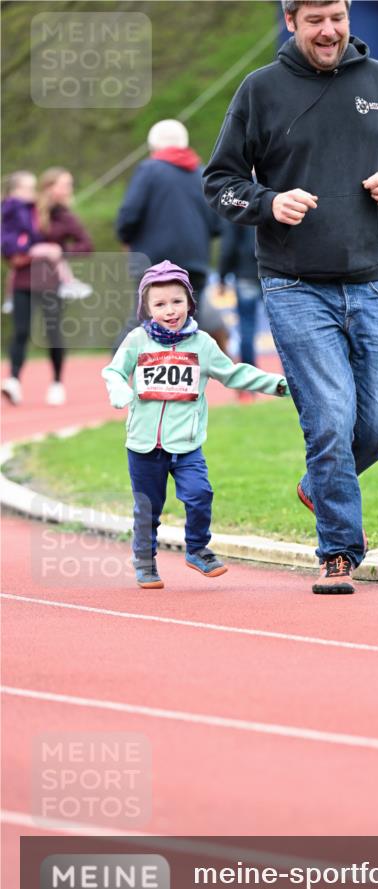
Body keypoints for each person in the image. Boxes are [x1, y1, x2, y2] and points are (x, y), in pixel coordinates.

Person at [203, 0, 378, 595]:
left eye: (337, 17)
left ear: (348, 14)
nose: (329, 31)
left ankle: (318, 485)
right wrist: (267, 203)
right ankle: (338, 551)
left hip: (371, 281)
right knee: (330, 419)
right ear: (291, 22)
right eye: (314, 21)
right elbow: (220, 182)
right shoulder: (260, 90)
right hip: (294, 282)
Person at [101, 261, 290, 590]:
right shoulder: (136, 340)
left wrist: (276, 384)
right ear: (146, 308)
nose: (170, 310)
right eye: (159, 304)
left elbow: (234, 374)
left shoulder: (201, 343)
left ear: (190, 302)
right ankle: (144, 560)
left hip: (186, 444)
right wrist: (119, 390)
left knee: (200, 494)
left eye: (177, 301)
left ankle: (198, 549)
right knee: (148, 508)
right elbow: (114, 372)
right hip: (144, 445)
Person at [1, 167, 93, 406]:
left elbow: (86, 245)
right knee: (21, 331)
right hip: (22, 279)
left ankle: (57, 382)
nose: (69, 190)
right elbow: (11, 239)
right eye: (65, 184)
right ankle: (13, 380)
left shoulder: (64, 216)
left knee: (54, 332)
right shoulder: (27, 211)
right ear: (50, 186)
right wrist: (20, 252)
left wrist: (60, 251)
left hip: (51, 282)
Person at [115, 119, 221, 317]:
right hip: (195, 262)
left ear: (153, 145)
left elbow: (129, 214)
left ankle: (122, 351)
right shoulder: (203, 174)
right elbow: (217, 224)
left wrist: (125, 237)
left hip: (153, 263)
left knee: (146, 323)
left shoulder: (149, 170)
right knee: (189, 326)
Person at [217, 217, 262, 401]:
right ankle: (291, 381)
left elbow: (228, 244)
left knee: (246, 328)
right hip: (274, 270)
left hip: (245, 272)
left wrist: (222, 276)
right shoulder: (275, 191)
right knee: (283, 327)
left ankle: (250, 384)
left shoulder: (239, 199)